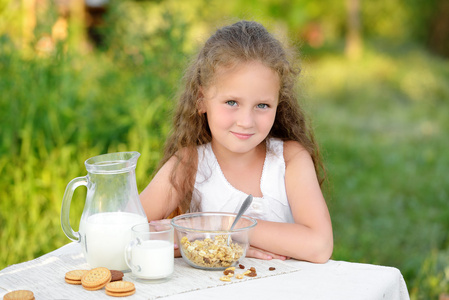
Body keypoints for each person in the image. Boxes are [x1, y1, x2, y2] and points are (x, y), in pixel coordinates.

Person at [140, 20, 333, 263]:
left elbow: (320, 245)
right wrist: (212, 238)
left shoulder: (289, 159)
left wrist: (228, 227)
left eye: (262, 105)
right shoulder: (189, 163)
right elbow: (125, 232)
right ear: (201, 100)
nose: (246, 121)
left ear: (278, 104)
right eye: (232, 102)